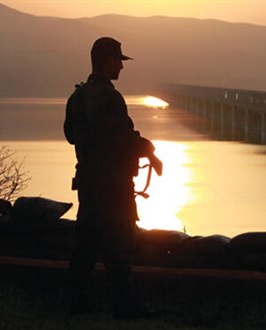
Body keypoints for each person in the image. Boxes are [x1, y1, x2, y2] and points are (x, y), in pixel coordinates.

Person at [64, 36, 163, 318]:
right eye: (119, 60)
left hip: (88, 182)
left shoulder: (77, 96)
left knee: (85, 243)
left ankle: (77, 302)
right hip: (114, 184)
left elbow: (71, 135)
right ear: (107, 61)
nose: (122, 66)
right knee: (120, 243)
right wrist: (150, 150)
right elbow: (123, 138)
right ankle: (123, 304)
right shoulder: (109, 97)